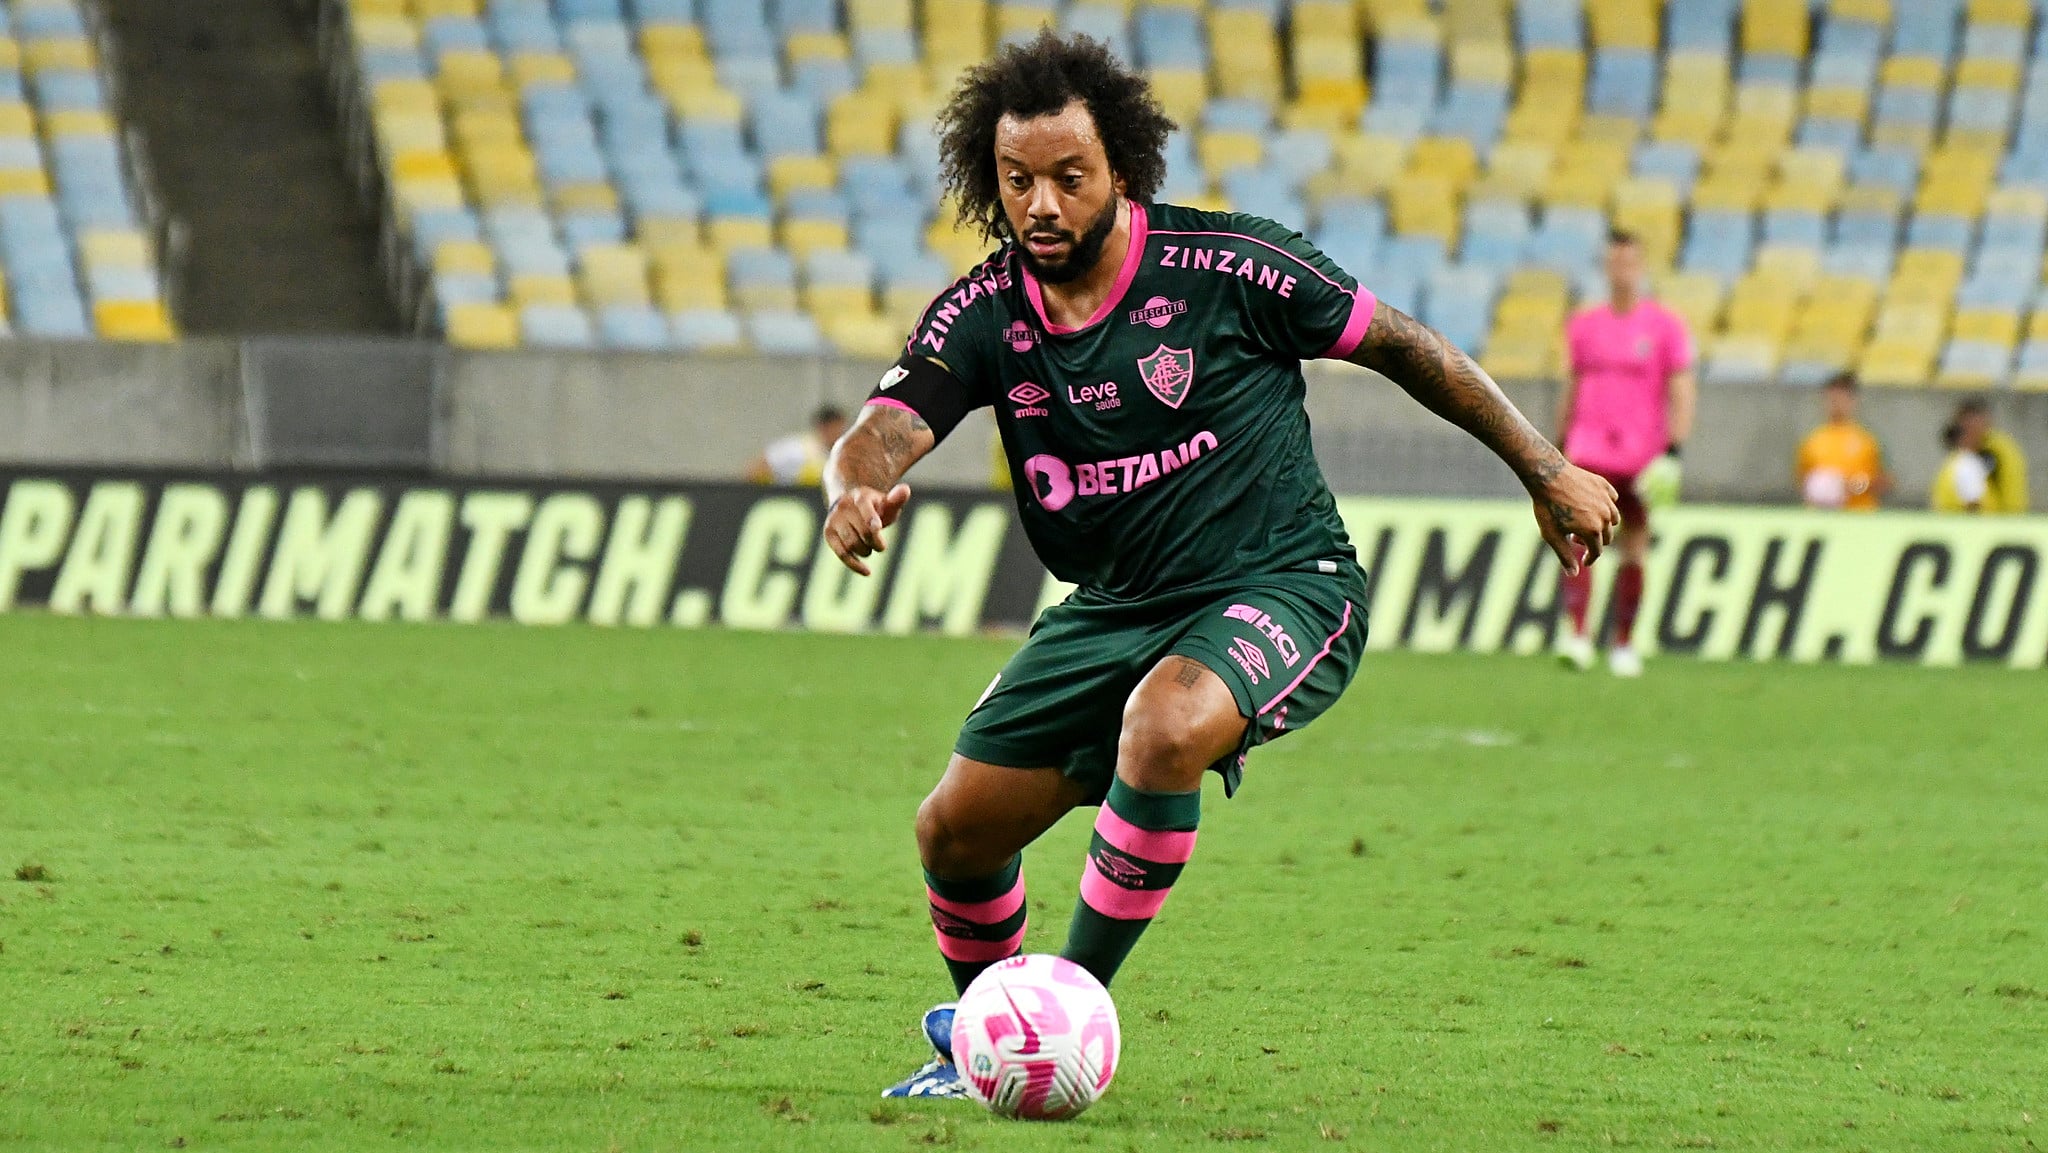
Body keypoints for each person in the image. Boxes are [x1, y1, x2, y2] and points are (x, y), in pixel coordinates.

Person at [819, 32, 1620, 1100]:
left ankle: (1058, 1010)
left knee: (1164, 727)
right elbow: (882, 428)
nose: (1041, 204)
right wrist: (852, 488)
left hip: (1283, 580)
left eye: (1069, 176)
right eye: (1017, 180)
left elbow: (1404, 345)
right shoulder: (985, 312)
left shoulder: (1231, 267)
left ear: (1121, 170)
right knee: (954, 829)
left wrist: (1544, 467)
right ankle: (982, 1042)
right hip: (1114, 607)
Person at [1552, 228, 1697, 677]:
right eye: (1615, 263)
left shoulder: (1665, 326)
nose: (1622, 271)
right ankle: (1578, 635)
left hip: (1641, 455)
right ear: (1605, 267)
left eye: (1629, 263)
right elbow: (1572, 387)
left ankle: (1623, 643)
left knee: (1634, 544)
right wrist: (1558, 444)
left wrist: (1673, 449)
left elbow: (1682, 389)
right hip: (1589, 449)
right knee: (1580, 537)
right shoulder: (1584, 325)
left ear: (1642, 267)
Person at [1795, 373, 1890, 510]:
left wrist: (1854, 486)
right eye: (1832, 398)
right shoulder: (1811, 441)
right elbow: (1802, 479)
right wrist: (1820, 490)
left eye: (1841, 398)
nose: (1836, 403)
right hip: (1822, 516)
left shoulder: (1868, 440)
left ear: (1852, 401)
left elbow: (1885, 481)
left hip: (1858, 515)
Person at [1932, 398, 2029, 514]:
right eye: (1970, 427)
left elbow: (2013, 486)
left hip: (2002, 517)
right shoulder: (1963, 463)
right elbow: (1971, 504)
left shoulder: (2001, 449)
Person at [746, 404, 847, 486]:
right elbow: (756, 469)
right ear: (823, 427)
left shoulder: (839, 454)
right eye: (836, 428)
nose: (840, 432)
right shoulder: (797, 449)